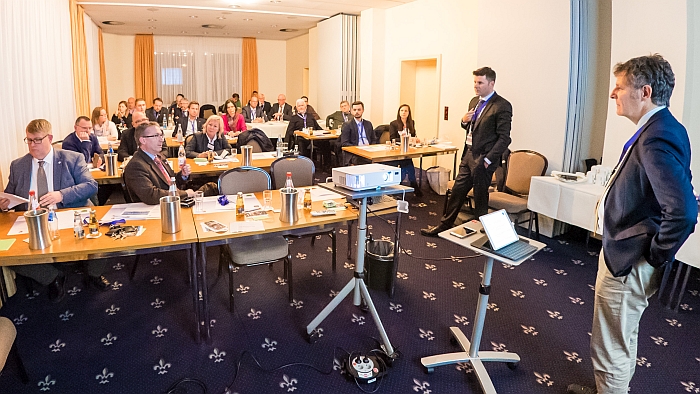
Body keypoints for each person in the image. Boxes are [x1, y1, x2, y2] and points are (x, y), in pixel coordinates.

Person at [566, 55, 697, 394]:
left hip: (630, 259)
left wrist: (653, 255)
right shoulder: (667, 127)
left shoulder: (657, 137)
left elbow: (683, 211)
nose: (614, 93)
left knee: (613, 344)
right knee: (617, 333)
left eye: (621, 87)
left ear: (645, 92)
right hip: (627, 252)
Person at [0, 119, 108, 301]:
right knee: (7, 254)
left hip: (69, 213)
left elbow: (91, 186)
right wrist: (4, 203)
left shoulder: (71, 159)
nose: (32, 145)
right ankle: (52, 277)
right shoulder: (18, 165)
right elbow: (10, 195)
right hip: (33, 220)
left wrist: (61, 195)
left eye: (37, 140)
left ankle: (93, 274)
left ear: (49, 138)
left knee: (102, 239)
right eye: (29, 140)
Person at [421, 67, 511, 237]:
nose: (476, 86)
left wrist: (488, 160)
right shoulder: (474, 101)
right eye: (475, 82)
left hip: (484, 158)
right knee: (457, 191)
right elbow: (471, 128)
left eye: (480, 83)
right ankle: (444, 225)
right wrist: (463, 121)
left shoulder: (502, 106)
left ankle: (484, 234)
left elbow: (504, 138)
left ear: (491, 83)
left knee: (480, 196)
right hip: (468, 154)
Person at [123, 122, 217, 205]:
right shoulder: (136, 165)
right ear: (143, 140)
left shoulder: (159, 157)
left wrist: (183, 175)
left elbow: (171, 181)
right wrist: (185, 194)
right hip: (160, 208)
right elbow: (151, 195)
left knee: (212, 187)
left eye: (161, 135)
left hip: (174, 201)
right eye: (156, 136)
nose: (161, 140)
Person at [388, 104, 421, 196]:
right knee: (407, 163)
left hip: (409, 149)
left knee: (406, 162)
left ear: (409, 113)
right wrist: (405, 139)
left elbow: (414, 134)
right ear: (399, 112)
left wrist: (415, 139)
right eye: (402, 110)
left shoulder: (411, 123)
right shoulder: (393, 124)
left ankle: (399, 184)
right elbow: (392, 139)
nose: (403, 112)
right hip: (398, 150)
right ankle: (413, 185)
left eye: (406, 111)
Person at [340, 101, 377, 166]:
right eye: (354, 110)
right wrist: (358, 148)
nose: (357, 112)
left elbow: (374, 139)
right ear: (351, 111)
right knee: (364, 160)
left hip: (369, 151)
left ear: (363, 110)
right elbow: (344, 143)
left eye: (359, 110)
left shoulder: (368, 124)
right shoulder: (347, 125)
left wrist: (371, 147)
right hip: (355, 153)